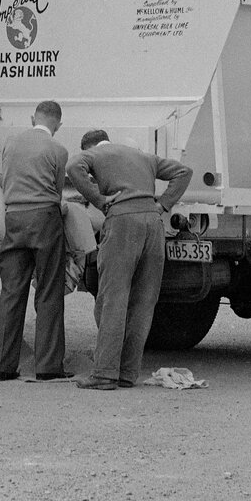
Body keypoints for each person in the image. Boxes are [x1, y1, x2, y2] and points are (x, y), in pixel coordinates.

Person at [67, 128, 190, 391]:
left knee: (114, 297)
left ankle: (104, 374)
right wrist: (163, 204)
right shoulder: (142, 156)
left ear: (89, 146)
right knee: (144, 300)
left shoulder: (94, 154)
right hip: (153, 224)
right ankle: (126, 373)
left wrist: (99, 199)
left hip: (122, 222)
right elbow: (183, 172)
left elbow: (73, 166)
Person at [0, 100, 70, 381]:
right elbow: (57, 192)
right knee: (48, 290)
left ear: (32, 117)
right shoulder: (58, 150)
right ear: (58, 124)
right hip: (44, 218)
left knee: (11, 291)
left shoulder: (10, 143)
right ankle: (48, 367)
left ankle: (2, 366)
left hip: (13, 217)